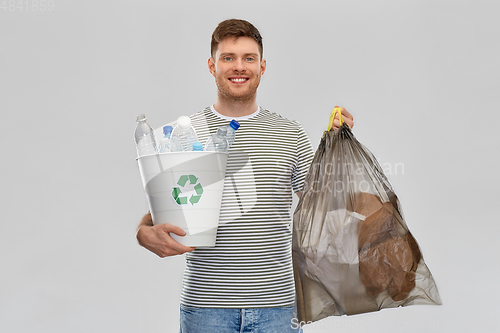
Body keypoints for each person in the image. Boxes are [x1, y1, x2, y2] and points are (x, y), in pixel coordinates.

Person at [136, 19, 354, 333]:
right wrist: (142, 231)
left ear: (262, 67)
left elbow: (325, 207)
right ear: (212, 66)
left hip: (277, 308)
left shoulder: (289, 135)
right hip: (205, 307)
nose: (239, 67)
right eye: (229, 58)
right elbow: (169, 206)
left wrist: (337, 146)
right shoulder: (185, 134)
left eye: (248, 58)